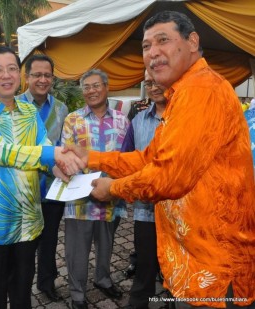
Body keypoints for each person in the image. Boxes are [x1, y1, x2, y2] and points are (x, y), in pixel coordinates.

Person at [59, 11, 255, 309]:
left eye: (163, 40)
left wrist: (111, 189)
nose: (152, 53)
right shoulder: (184, 93)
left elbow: (168, 176)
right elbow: (150, 158)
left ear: (192, 41)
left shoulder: (200, 91)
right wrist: (93, 157)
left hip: (216, 264)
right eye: (146, 46)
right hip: (196, 257)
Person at [0, 46, 84, 309]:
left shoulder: (30, 113)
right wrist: (53, 154)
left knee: (21, 295)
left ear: (19, 73)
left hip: (28, 222)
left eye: (12, 68)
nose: (6, 75)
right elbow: (1, 152)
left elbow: (43, 148)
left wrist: (58, 170)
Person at [61, 69, 129, 309]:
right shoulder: (73, 119)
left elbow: (127, 158)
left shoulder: (123, 120)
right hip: (80, 200)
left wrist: (114, 187)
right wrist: (92, 188)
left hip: (111, 198)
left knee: (106, 245)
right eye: (86, 87)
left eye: (95, 85)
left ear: (106, 87)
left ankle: (102, 279)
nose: (91, 91)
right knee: (76, 252)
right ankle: (77, 294)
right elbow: (65, 159)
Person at [17, 54, 68, 302]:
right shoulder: (13, 107)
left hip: (53, 190)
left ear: (53, 78)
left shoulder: (61, 109)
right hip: (22, 191)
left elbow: (64, 147)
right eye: (37, 74)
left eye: (47, 75)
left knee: (49, 242)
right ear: (27, 77)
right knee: (24, 246)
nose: (42, 79)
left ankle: (47, 283)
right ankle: (19, 289)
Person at [121, 70, 167, 309]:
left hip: (180, 213)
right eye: (148, 82)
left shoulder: (186, 119)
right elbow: (126, 158)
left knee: (176, 266)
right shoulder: (138, 121)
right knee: (145, 265)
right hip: (145, 210)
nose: (154, 86)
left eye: (158, 80)